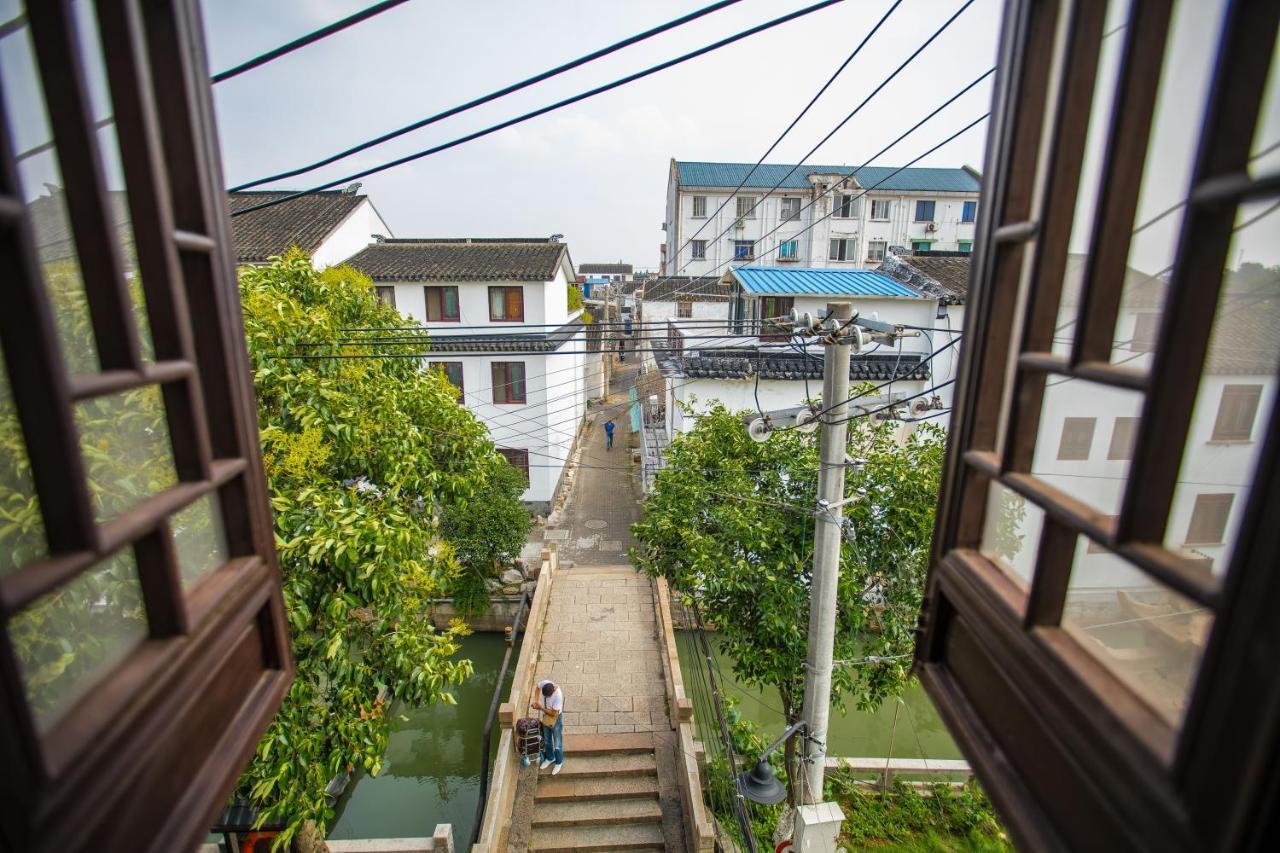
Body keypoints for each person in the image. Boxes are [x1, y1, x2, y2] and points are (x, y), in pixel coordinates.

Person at [532, 678, 564, 774]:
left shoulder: (558, 696)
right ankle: (550, 757)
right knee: (547, 738)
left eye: (548, 697)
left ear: (553, 691)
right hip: (546, 716)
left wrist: (541, 707)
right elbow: (537, 687)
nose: (547, 698)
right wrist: (536, 701)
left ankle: (559, 762)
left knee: (557, 742)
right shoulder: (546, 683)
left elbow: (554, 714)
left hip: (555, 718)